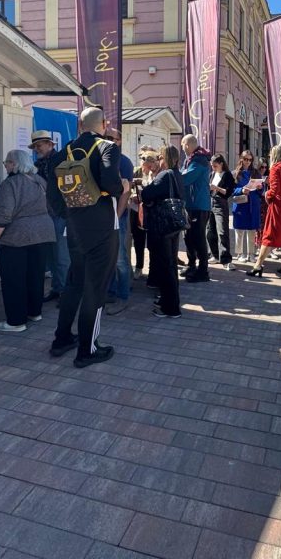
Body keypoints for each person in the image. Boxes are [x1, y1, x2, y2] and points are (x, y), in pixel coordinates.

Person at [49, 107, 123, 368]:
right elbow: (111, 183)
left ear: (79, 126)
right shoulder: (107, 148)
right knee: (96, 288)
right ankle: (87, 350)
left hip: (74, 227)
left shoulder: (63, 152)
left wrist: (70, 214)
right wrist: (123, 187)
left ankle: (61, 339)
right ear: (103, 124)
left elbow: (53, 197)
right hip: (102, 226)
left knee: (75, 283)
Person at [0, 150, 55, 333]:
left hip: (16, 237)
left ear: (15, 164)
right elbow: (51, 206)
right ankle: (34, 312)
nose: (5, 166)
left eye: (7, 162)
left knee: (13, 279)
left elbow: (3, 214)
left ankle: (16, 321)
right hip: (42, 234)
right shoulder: (39, 181)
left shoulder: (10, 184)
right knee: (35, 275)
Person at [141, 146, 185, 318]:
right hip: (173, 224)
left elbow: (147, 194)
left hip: (163, 225)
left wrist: (146, 183)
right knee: (170, 264)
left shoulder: (165, 175)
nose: (158, 160)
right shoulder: (177, 174)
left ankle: (170, 307)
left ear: (165, 158)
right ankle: (169, 301)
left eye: (159, 157)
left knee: (166, 266)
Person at [246, 144, 281, 279]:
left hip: (279, 205)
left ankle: (258, 266)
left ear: (274, 155)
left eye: (270, 154)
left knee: (269, 234)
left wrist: (266, 195)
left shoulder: (276, 168)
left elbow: (274, 190)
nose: (269, 156)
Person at [30, 131, 69, 305]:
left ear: (49, 144)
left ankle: (66, 294)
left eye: (39, 145)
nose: (36, 149)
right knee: (51, 256)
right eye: (35, 146)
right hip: (45, 215)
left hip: (60, 214)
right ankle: (57, 288)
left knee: (61, 256)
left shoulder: (61, 161)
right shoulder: (38, 165)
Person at [104, 127, 134, 315]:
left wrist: (116, 216)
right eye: (105, 137)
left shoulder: (124, 162)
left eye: (112, 138)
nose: (108, 140)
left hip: (117, 218)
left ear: (119, 141)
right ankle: (111, 291)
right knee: (109, 258)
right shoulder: (101, 159)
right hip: (102, 217)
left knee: (121, 259)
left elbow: (125, 193)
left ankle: (123, 296)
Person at [179, 134, 212, 283]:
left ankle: (203, 271)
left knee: (198, 238)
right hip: (191, 204)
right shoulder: (191, 159)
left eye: (182, 145)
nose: (182, 148)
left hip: (199, 205)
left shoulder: (199, 160)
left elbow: (186, 178)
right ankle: (191, 265)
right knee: (188, 237)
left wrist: (171, 176)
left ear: (187, 145)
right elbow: (182, 173)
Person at [130, 148, 158, 281]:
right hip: (136, 210)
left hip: (151, 211)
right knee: (138, 240)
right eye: (143, 164)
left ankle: (153, 270)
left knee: (152, 242)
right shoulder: (136, 171)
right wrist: (132, 195)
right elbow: (128, 187)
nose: (144, 168)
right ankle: (139, 266)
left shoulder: (156, 174)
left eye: (147, 165)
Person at [231, 150, 261, 264]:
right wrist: (241, 190)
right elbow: (231, 190)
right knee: (239, 230)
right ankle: (239, 254)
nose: (248, 162)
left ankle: (251, 254)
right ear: (241, 159)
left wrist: (260, 187)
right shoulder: (235, 173)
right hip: (240, 204)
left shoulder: (255, 172)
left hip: (253, 204)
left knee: (251, 230)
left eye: (250, 159)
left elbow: (261, 190)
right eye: (245, 159)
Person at [206, 153, 236, 269]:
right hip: (210, 202)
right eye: (212, 166)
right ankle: (214, 255)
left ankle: (226, 259)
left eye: (215, 166)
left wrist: (216, 188)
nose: (213, 168)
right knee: (209, 231)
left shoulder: (227, 175)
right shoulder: (212, 174)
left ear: (221, 164)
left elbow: (228, 192)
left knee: (222, 231)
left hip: (220, 204)